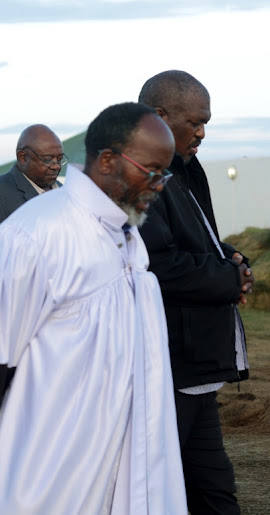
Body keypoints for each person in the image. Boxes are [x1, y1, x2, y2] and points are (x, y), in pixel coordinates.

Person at [0, 103, 187, 513]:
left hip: (119, 460)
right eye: (151, 171)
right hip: (48, 469)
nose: (159, 185)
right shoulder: (34, 234)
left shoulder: (127, 238)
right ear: (108, 160)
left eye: (164, 173)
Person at [139, 70, 254, 515]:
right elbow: (158, 265)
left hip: (196, 367)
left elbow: (198, 238)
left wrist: (232, 259)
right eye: (196, 122)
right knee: (159, 492)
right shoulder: (139, 175)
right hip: (168, 363)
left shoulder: (184, 168)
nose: (203, 132)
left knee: (214, 491)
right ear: (158, 115)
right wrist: (228, 278)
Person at [0, 125, 64, 253]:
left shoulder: (64, 191)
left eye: (60, 159)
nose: (56, 166)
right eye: (47, 159)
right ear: (23, 157)